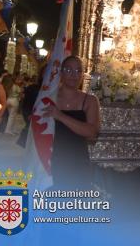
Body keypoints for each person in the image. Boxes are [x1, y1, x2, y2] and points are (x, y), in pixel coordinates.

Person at [43, 56, 100, 188]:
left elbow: (92, 132)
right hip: (51, 159)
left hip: (78, 160)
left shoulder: (90, 100)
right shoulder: (49, 97)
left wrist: (60, 116)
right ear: (61, 72)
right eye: (69, 70)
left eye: (78, 71)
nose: (74, 75)